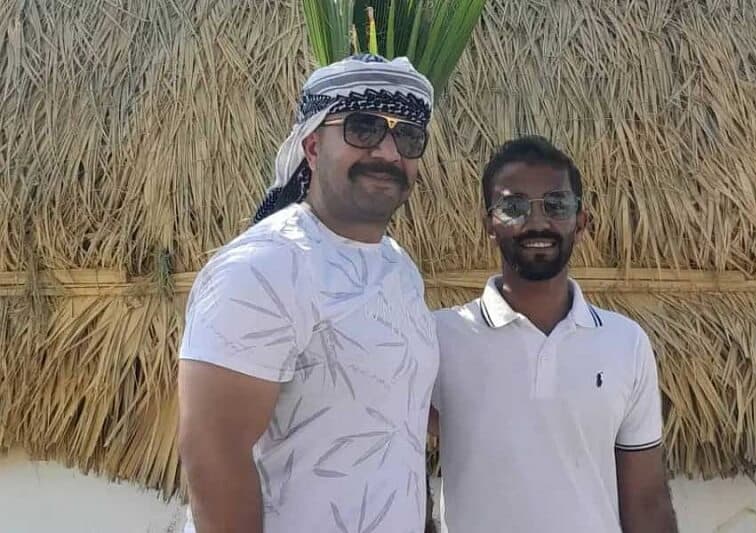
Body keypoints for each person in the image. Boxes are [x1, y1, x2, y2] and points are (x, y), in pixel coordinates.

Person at [177, 54, 439, 533]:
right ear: (313, 146)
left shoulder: (399, 267)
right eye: (364, 128)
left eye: (408, 136)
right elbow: (214, 453)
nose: (387, 152)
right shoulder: (263, 267)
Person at [430, 136, 679, 532]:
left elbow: (646, 500)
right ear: (489, 224)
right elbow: (393, 459)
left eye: (556, 205)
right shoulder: (439, 337)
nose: (537, 222)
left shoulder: (625, 343)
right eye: (514, 207)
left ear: (581, 222)